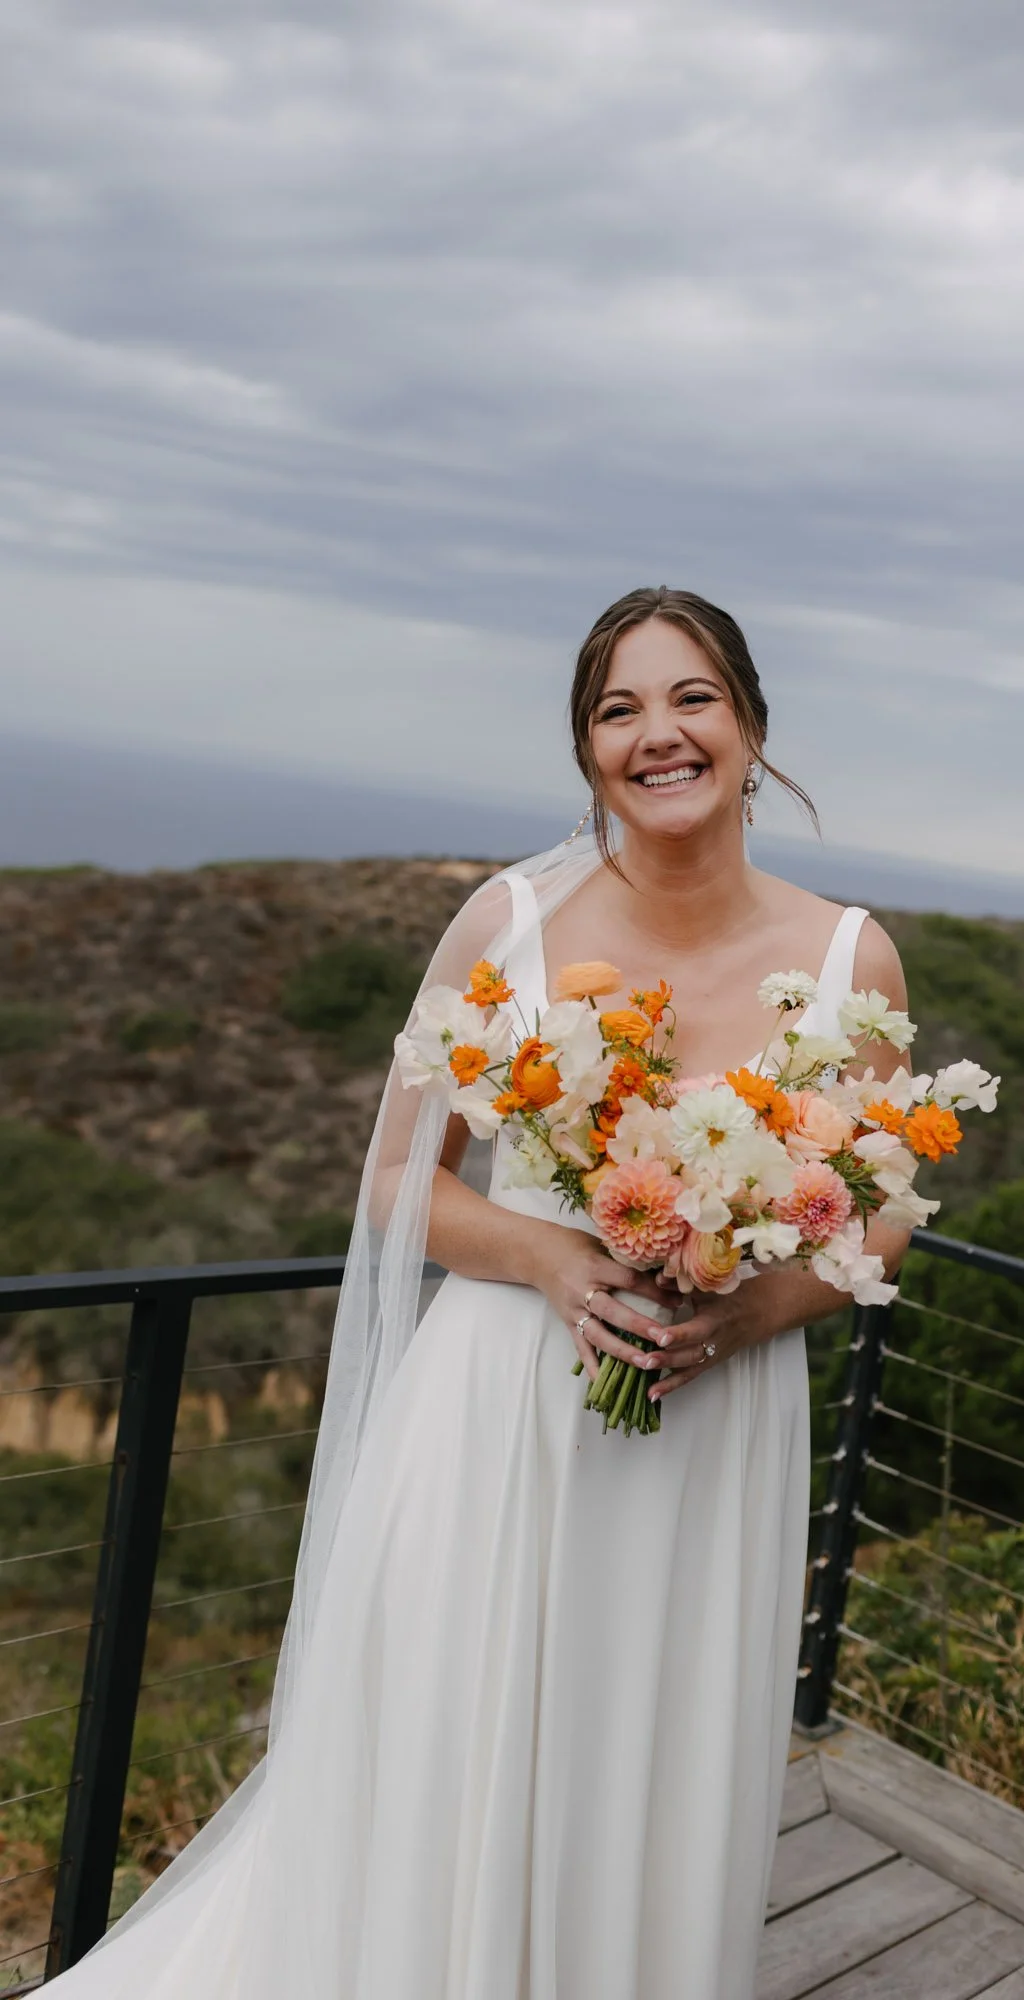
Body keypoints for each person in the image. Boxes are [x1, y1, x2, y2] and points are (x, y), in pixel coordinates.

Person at [53, 587, 912, 1999]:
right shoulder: (507, 924)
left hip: (715, 1428)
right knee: (455, 1746)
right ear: (588, 754)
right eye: (618, 710)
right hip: (499, 1411)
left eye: (691, 697)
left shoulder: (848, 962)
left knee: (652, 1759)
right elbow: (400, 1178)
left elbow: (876, 1225)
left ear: (752, 728)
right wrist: (558, 1256)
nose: (658, 733)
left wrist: (741, 1314)